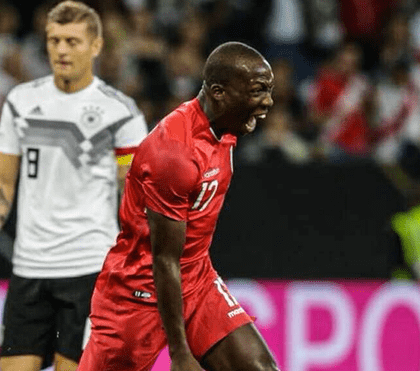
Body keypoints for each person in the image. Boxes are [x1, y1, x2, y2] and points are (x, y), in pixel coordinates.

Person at [0, 2, 148, 371]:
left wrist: (137, 264)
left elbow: (137, 195)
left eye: (73, 41)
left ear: (95, 46)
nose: (61, 50)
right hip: (29, 268)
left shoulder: (120, 112)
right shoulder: (21, 102)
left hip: (89, 268)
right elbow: (1, 180)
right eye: (54, 40)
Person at [78, 41, 279, 371]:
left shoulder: (228, 124)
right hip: (139, 294)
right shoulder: (174, 154)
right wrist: (180, 352)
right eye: (258, 91)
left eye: (268, 91)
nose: (267, 102)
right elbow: (164, 259)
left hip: (196, 280)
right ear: (219, 93)